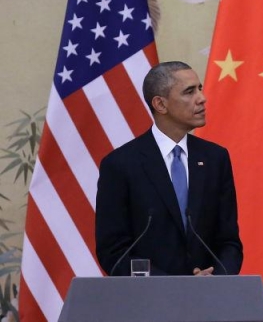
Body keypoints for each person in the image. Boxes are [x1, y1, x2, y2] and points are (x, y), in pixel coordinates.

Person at [96, 61, 242, 276]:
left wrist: (216, 279)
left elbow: (229, 241)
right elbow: (114, 251)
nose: (202, 98)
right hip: (149, 301)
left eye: (199, 89)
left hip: (209, 299)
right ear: (160, 104)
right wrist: (171, 286)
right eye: (189, 92)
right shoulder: (120, 164)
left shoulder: (215, 158)